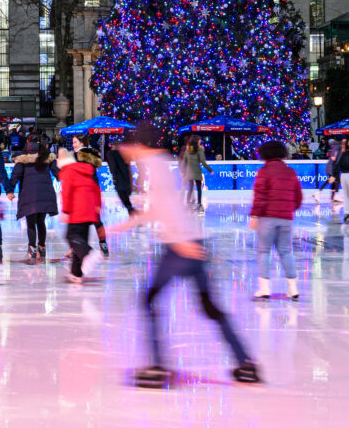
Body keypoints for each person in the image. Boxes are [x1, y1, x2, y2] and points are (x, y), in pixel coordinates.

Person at [109, 123, 260, 388]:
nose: (120, 150)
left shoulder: (153, 165)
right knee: (209, 307)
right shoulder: (159, 162)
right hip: (190, 242)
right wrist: (127, 224)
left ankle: (157, 367)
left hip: (181, 246)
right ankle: (245, 362)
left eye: (123, 145)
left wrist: (180, 241)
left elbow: (167, 206)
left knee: (150, 300)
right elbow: (163, 207)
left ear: (135, 145)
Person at [249, 140, 302, 301]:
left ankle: (264, 288)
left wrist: (254, 216)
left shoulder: (263, 172)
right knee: (285, 251)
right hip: (286, 218)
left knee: (264, 251)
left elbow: (259, 197)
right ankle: (293, 288)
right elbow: (298, 197)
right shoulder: (290, 171)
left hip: (267, 218)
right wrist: (288, 209)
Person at [6, 140, 60, 264]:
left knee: (31, 223)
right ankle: (42, 247)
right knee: (41, 221)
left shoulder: (22, 160)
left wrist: (10, 190)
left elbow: (15, 176)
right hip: (45, 193)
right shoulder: (48, 159)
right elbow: (58, 173)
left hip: (29, 195)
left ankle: (32, 249)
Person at [57, 148, 105, 283]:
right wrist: (97, 207)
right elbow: (96, 189)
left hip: (77, 209)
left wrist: (65, 211)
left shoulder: (67, 171)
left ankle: (89, 253)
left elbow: (66, 192)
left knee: (72, 237)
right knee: (80, 238)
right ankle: (76, 273)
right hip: (89, 209)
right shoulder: (84, 169)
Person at [72, 135, 110, 257]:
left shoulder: (76, 156)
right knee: (96, 220)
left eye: (75, 142)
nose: (73, 145)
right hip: (93, 190)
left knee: (79, 222)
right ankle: (103, 245)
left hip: (82, 192)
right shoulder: (92, 156)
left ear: (81, 143)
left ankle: (77, 248)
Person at [179, 135, 212, 210]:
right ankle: (199, 204)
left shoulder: (188, 149)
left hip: (189, 171)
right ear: (197, 141)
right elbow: (203, 161)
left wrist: (182, 170)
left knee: (190, 187)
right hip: (196, 171)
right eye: (199, 140)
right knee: (198, 188)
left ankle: (188, 202)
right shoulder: (199, 149)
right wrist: (210, 169)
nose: (200, 141)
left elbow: (184, 161)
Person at [105, 142, 137, 216]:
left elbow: (113, 167)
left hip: (119, 179)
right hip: (126, 179)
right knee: (126, 199)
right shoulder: (123, 153)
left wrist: (114, 176)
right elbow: (127, 166)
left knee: (124, 198)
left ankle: (133, 213)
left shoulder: (111, 153)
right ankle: (132, 213)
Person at [314, 139, 341, 206]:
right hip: (332, 168)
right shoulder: (337, 148)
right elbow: (335, 160)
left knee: (334, 181)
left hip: (331, 167)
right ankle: (319, 193)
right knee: (334, 181)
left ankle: (333, 196)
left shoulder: (335, 148)